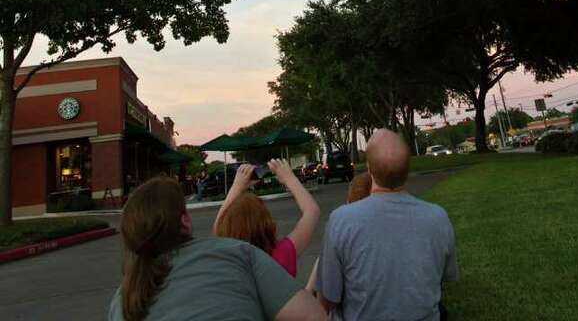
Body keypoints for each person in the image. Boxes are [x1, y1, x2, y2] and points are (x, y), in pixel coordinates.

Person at [108, 175, 324, 321]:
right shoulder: (235, 254)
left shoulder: (121, 302)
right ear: (184, 221)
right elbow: (314, 317)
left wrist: (237, 185)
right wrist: (287, 176)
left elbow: (219, 225)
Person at [316, 129, 459, 321]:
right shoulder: (438, 216)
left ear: (369, 169)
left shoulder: (341, 220)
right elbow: (444, 277)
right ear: (407, 171)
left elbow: (328, 300)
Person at [214, 158, 320, 277]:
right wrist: (289, 178)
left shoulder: (225, 263)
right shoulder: (282, 254)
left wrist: (237, 186)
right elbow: (312, 211)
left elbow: (219, 224)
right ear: (267, 222)